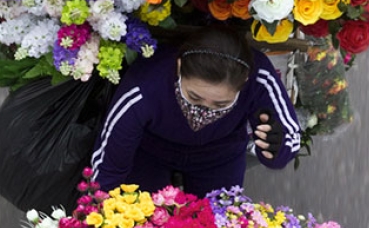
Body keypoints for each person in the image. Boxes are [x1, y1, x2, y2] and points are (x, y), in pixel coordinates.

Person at [91, 26, 301, 197]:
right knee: (141, 224)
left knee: (220, 226)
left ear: (245, 81)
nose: (205, 109)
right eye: (194, 97)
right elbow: (108, 168)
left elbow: (288, 139)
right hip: (150, 153)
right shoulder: (146, 85)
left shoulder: (259, 77)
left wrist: (276, 147)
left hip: (220, 154)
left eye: (220, 104)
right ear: (179, 67)